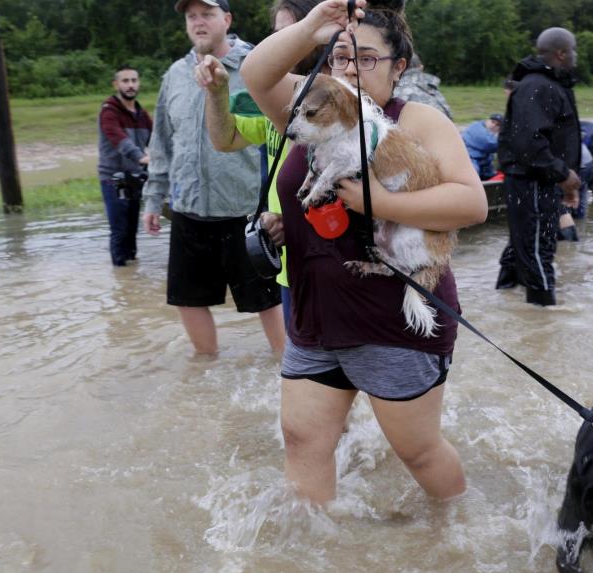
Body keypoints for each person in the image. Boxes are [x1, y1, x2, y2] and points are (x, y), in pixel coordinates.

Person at [241, 0, 487, 504]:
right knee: (303, 439)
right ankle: (316, 549)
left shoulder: (416, 120)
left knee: (417, 453)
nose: (350, 69)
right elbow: (256, 75)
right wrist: (312, 27)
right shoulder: (315, 101)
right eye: (341, 57)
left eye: (367, 58)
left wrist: (381, 201)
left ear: (400, 68)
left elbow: (471, 203)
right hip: (316, 315)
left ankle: (459, 529)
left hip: (392, 322)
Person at [142, 0, 285, 356]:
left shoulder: (257, 67)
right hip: (189, 209)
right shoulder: (175, 74)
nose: (198, 22)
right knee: (187, 299)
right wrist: (152, 198)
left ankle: (291, 371)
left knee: (268, 300)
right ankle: (205, 373)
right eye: (192, 16)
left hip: (247, 211)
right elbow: (161, 141)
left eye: (206, 14)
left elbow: (280, 133)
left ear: (227, 18)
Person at [196, 0, 323, 330]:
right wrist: (217, 93)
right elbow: (225, 139)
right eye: (276, 35)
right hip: (289, 265)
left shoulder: (343, 100)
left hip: (331, 263)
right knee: (301, 372)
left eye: (291, 34)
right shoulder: (270, 103)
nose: (278, 45)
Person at [494, 27, 581, 306]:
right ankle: (543, 315)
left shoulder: (549, 84)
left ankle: (504, 296)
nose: (576, 56)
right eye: (574, 50)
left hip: (541, 180)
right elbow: (529, 143)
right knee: (537, 249)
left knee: (522, 243)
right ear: (561, 53)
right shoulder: (538, 86)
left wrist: (562, 180)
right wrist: (564, 174)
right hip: (530, 180)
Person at [97, 65, 153, 267]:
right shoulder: (108, 112)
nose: (130, 85)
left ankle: (130, 272)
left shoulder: (141, 113)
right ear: (116, 84)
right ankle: (120, 271)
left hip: (137, 177)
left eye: (134, 80)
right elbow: (119, 140)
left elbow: (158, 140)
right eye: (125, 81)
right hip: (114, 179)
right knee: (119, 229)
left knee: (132, 228)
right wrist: (141, 157)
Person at [461, 113, 502, 180]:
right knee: (473, 176)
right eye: (493, 122)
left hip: (482, 166)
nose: (494, 125)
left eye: (498, 125)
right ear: (487, 121)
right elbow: (489, 144)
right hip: (468, 160)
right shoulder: (477, 128)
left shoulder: (490, 134)